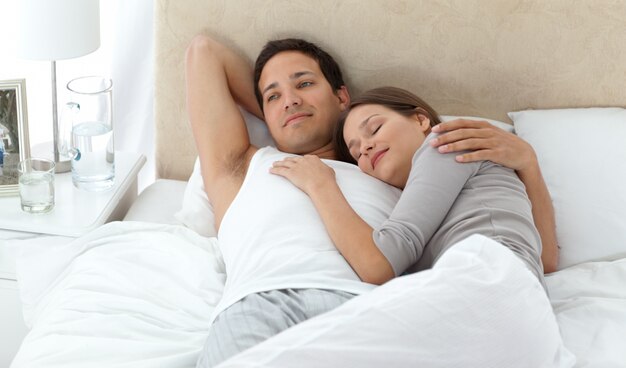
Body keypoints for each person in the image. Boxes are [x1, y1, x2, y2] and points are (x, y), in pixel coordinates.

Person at [185, 35, 557, 367]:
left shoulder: (394, 171)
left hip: (370, 308)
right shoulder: (246, 166)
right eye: (273, 96)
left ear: (341, 96)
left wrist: (527, 163)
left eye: (305, 83)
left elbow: (538, 252)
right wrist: (285, 111)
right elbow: (205, 52)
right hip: (258, 304)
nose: (291, 100)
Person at [270, 86, 546, 286]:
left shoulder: (446, 144)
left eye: (375, 129)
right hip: (519, 296)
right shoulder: (418, 199)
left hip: (489, 278)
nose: (365, 147)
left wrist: (320, 184)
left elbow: (378, 265)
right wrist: (529, 164)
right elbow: (544, 260)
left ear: (420, 120)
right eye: (356, 154)